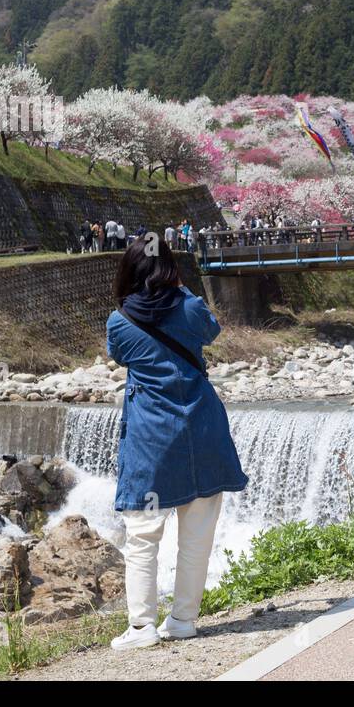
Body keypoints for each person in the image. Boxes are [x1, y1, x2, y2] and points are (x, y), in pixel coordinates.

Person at [106, 238, 249, 649]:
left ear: (130, 271)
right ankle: (183, 619)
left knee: (142, 534)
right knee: (198, 532)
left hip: (152, 438)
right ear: (170, 269)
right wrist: (183, 289)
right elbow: (212, 330)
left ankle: (141, 628)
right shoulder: (189, 307)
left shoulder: (120, 322)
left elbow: (120, 356)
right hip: (201, 431)